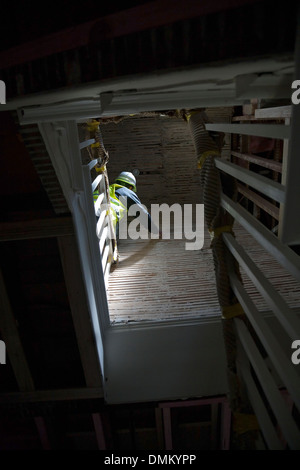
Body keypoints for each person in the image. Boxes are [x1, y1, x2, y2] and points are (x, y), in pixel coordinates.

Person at [109, 171, 160, 240]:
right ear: (130, 187)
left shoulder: (106, 189)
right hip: (108, 217)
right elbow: (142, 213)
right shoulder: (127, 192)